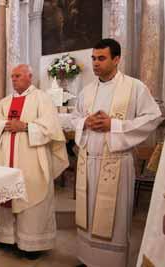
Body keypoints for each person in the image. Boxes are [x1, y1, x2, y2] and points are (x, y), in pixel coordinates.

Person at [71, 38, 163, 267]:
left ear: (117, 59)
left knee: (113, 220)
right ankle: (86, 259)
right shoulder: (87, 91)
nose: (95, 63)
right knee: (89, 215)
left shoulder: (134, 87)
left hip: (116, 165)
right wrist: (85, 122)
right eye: (93, 58)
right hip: (88, 163)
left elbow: (153, 117)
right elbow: (74, 118)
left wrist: (115, 125)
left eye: (101, 58)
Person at [0, 64, 69, 259]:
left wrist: (25, 126)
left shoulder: (42, 98)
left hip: (32, 156)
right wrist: (6, 124)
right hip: (7, 155)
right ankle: (9, 238)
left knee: (31, 196)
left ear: (29, 77)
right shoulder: (5, 102)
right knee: (7, 196)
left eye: (17, 76)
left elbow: (51, 127)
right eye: (12, 76)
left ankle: (32, 244)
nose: (13, 79)